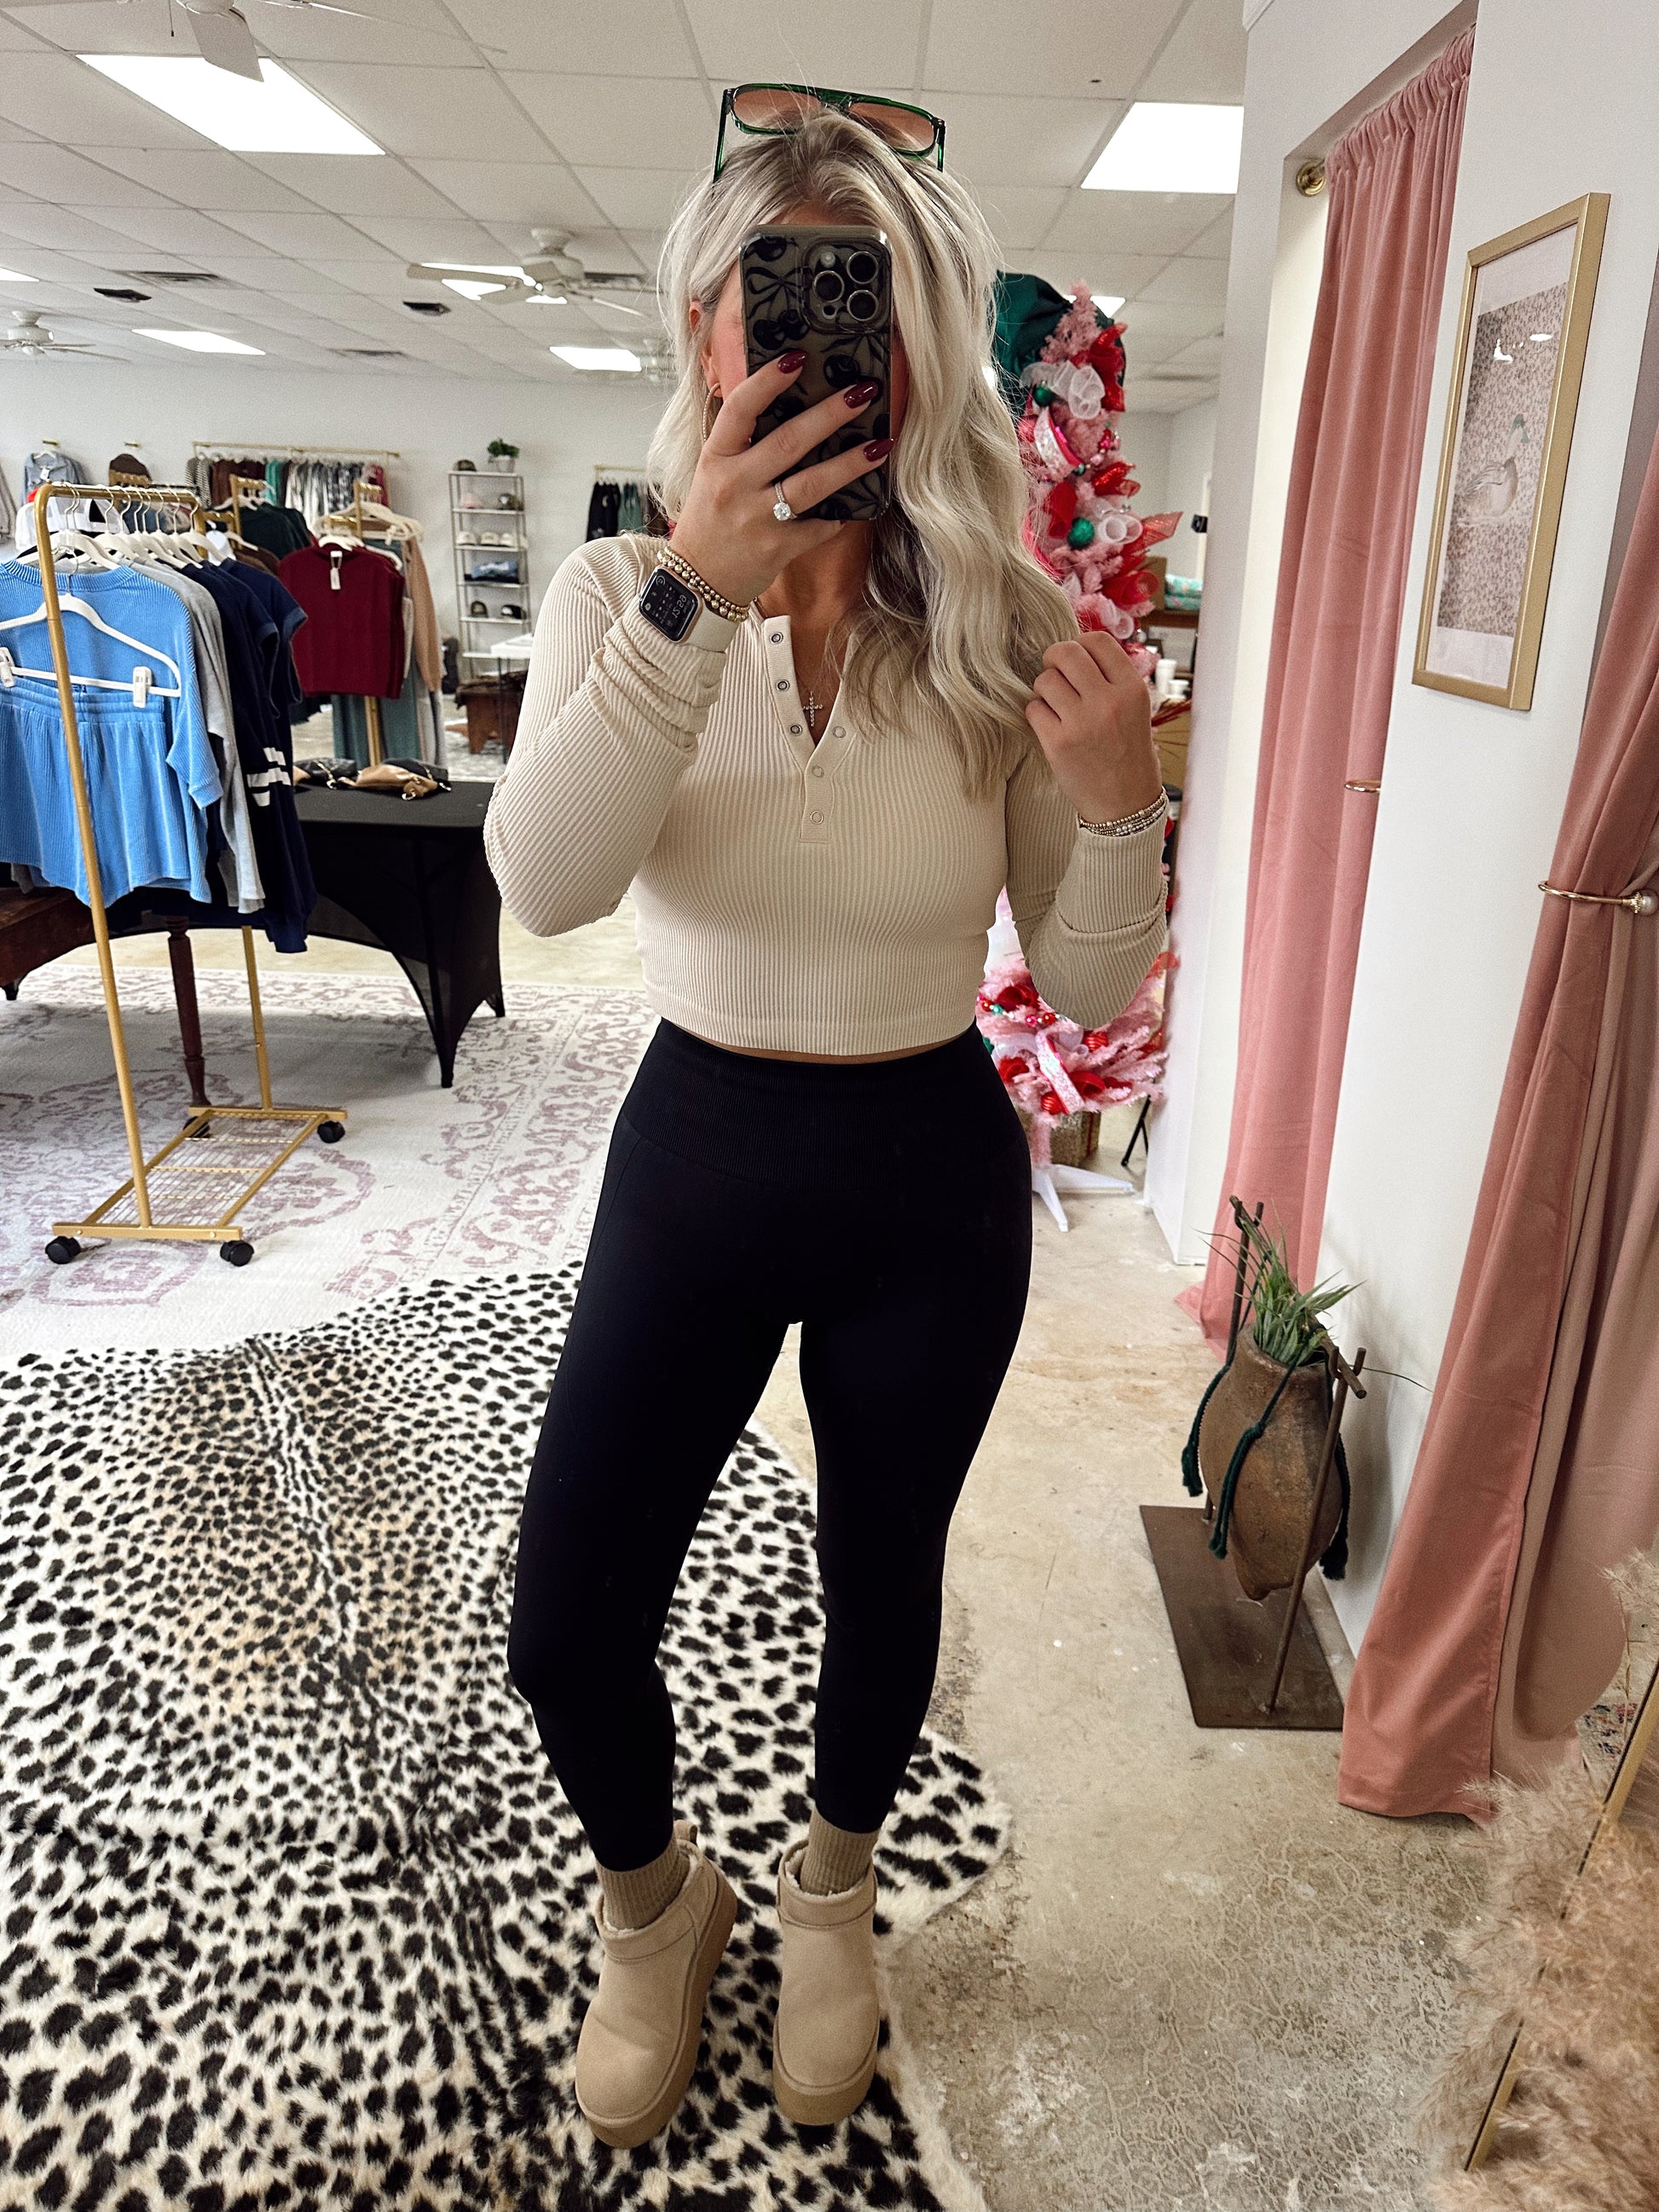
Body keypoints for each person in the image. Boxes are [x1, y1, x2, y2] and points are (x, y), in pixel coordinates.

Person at [485, 101, 1167, 2150]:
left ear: (925, 339)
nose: (796, 345)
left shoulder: (999, 620)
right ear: (699, 326)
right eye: (763, 303)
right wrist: (698, 595)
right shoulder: (618, 583)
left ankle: (831, 1892)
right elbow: (547, 884)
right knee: (566, 1616)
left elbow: (1090, 987)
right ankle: (653, 1900)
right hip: (695, 1146)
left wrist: (1121, 799)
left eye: (854, 305)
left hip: (921, 1172)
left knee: (885, 1576)